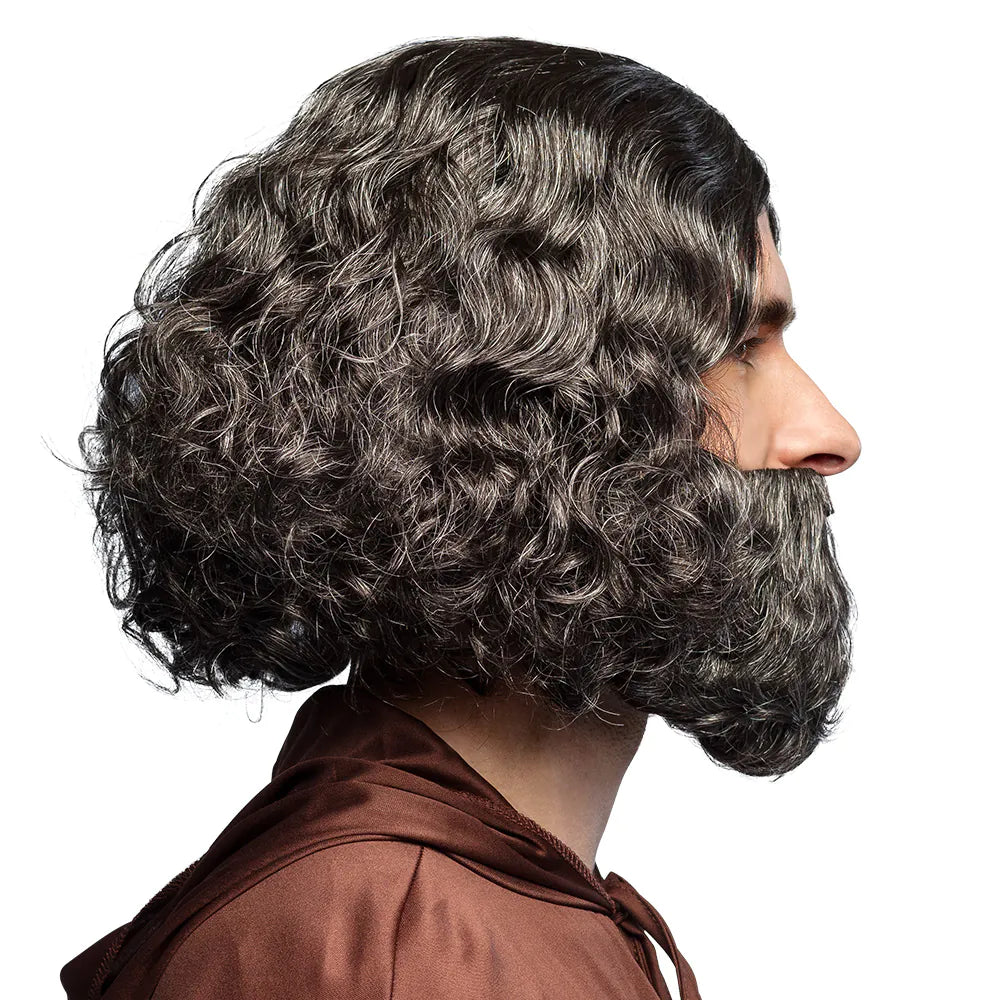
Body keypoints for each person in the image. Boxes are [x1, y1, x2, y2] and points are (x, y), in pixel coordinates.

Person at [60, 34, 861, 1000]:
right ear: (517, 414)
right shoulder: (403, 946)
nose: (832, 434)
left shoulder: (438, 914)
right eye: (738, 348)